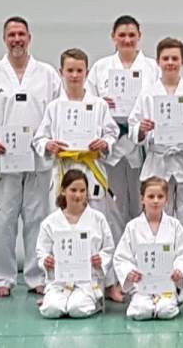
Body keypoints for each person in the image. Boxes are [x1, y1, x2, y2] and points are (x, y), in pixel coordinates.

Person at [0, 16, 62, 297]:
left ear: (29, 38)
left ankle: (38, 276)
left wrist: (48, 141)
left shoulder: (47, 74)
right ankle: (2, 278)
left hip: (38, 159)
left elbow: (57, 113)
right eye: (11, 35)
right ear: (4, 39)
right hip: (5, 159)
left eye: (21, 34)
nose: (17, 39)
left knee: (38, 219)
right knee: (3, 221)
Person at [128, 37, 183, 301]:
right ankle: (156, 279)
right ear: (158, 61)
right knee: (156, 224)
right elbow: (134, 127)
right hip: (159, 162)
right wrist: (142, 130)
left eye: (175, 58)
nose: (170, 63)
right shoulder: (148, 93)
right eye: (165, 58)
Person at [34, 48, 119, 299]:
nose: (74, 75)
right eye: (69, 70)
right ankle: (58, 283)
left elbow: (112, 133)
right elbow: (39, 138)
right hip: (64, 172)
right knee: (62, 227)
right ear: (61, 72)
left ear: (87, 72)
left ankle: (107, 284)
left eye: (79, 70)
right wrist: (48, 145)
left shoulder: (99, 105)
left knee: (99, 227)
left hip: (91, 171)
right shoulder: (54, 107)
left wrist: (105, 143)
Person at [86, 15, 161, 249]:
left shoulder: (152, 68)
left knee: (143, 204)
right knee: (113, 206)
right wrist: (99, 103)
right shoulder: (101, 68)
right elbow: (86, 103)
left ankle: (142, 258)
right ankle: (116, 262)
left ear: (139, 36)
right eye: (122, 35)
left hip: (142, 144)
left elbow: (163, 100)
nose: (127, 40)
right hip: (112, 144)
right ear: (113, 37)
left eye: (131, 35)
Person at [36, 169, 115, 318]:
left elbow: (108, 248)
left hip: (87, 281)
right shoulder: (50, 222)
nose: (78, 195)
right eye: (73, 190)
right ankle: (55, 300)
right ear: (63, 191)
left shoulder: (98, 219)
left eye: (82, 190)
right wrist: (46, 261)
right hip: (59, 281)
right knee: (52, 310)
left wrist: (100, 260)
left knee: (77, 309)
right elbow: (41, 251)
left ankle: (93, 301)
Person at [113, 177, 183, 320]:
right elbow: (122, 257)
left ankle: (167, 301)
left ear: (166, 199)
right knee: (141, 312)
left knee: (166, 311)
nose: (155, 201)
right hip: (142, 286)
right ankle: (144, 303)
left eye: (160, 196)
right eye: (151, 196)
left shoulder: (174, 226)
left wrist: (179, 271)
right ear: (142, 199)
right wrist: (129, 272)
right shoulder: (133, 227)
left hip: (167, 285)